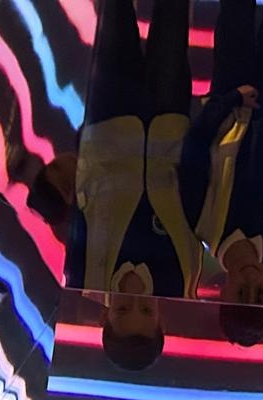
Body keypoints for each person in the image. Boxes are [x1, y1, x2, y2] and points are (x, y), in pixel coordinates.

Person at [63, 0, 202, 371]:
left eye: (124, 310)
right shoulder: (180, 278)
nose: (135, 300)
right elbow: (195, 202)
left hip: (109, 121)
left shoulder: (82, 276)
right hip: (168, 124)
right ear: (161, 318)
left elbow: (77, 204)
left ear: (104, 317)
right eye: (146, 311)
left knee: (115, 17)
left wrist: (82, 143)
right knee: (173, 21)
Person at [179, 0, 263, 347]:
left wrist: (230, 99)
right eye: (260, 294)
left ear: (223, 292)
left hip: (232, 88)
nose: (253, 283)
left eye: (242, 294)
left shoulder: (202, 223)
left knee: (236, 11)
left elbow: (195, 143)